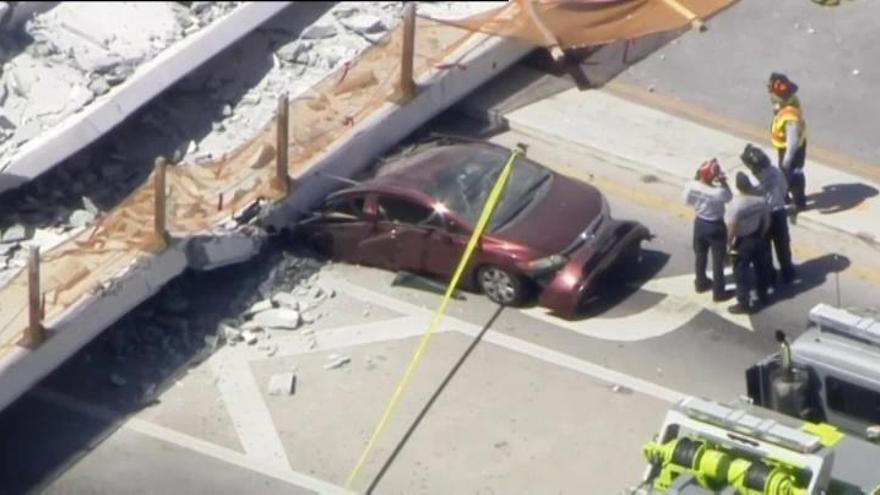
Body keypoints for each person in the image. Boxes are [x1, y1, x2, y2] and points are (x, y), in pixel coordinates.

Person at [741, 143, 797, 285]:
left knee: (765, 248)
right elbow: (784, 190)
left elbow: (747, 200)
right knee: (783, 245)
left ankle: (770, 276)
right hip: (778, 213)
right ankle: (788, 272)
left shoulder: (751, 181)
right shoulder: (776, 172)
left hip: (761, 217)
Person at [682, 158, 733, 301]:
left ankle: (700, 282)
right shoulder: (717, 193)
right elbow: (729, 197)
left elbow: (686, 200)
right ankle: (719, 292)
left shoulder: (691, 186)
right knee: (718, 260)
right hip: (715, 226)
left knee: (700, 254)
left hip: (699, 223)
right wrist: (724, 182)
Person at [726, 172, 772, 314]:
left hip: (742, 242)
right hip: (758, 237)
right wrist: (762, 234)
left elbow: (732, 227)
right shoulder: (760, 200)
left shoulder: (736, 205)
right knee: (761, 268)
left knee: (741, 273)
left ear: (738, 187)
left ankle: (743, 303)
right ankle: (763, 294)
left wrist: (728, 245)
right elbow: (767, 221)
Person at [768, 72, 808, 212]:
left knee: (794, 177)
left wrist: (787, 160)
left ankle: (799, 203)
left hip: (791, 150)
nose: (771, 96)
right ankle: (785, 196)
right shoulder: (789, 101)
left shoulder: (790, 117)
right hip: (787, 147)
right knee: (785, 176)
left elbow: (792, 141)